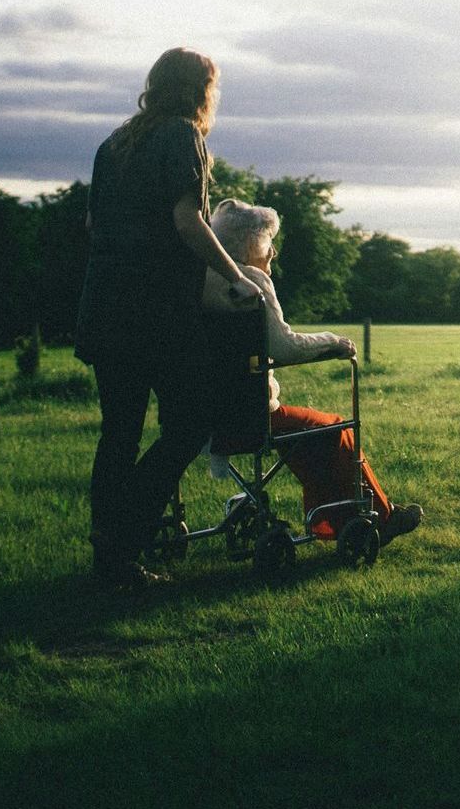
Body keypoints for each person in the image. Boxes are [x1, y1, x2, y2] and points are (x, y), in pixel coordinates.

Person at [74, 47, 261, 587]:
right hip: (153, 313)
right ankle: (123, 532)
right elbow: (189, 221)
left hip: (104, 306)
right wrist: (236, 276)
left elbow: (94, 222)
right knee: (192, 421)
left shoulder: (115, 143)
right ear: (201, 90)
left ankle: (110, 559)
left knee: (120, 433)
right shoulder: (182, 137)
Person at [201, 199, 423, 543]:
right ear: (248, 244)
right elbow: (285, 347)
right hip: (251, 414)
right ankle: (380, 517)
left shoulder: (203, 280)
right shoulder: (251, 282)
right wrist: (333, 341)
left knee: (309, 434)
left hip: (206, 414)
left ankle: (337, 520)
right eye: (267, 242)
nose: (272, 252)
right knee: (334, 428)